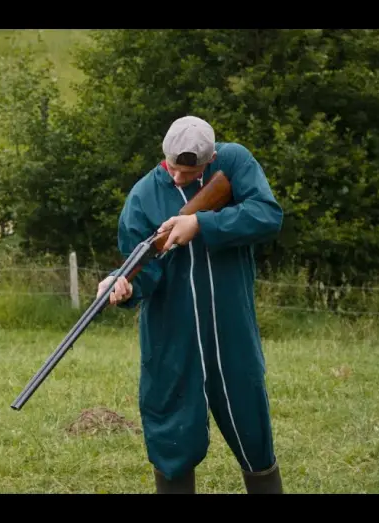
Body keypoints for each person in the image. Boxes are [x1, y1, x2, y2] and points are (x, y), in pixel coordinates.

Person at [97, 116, 284, 494]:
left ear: (211, 158)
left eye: (191, 171)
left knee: (251, 427)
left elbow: (267, 215)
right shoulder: (143, 197)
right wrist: (122, 283)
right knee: (171, 438)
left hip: (232, 333)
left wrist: (201, 224)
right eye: (173, 169)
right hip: (172, 340)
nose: (179, 178)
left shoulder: (234, 162)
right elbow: (144, 273)